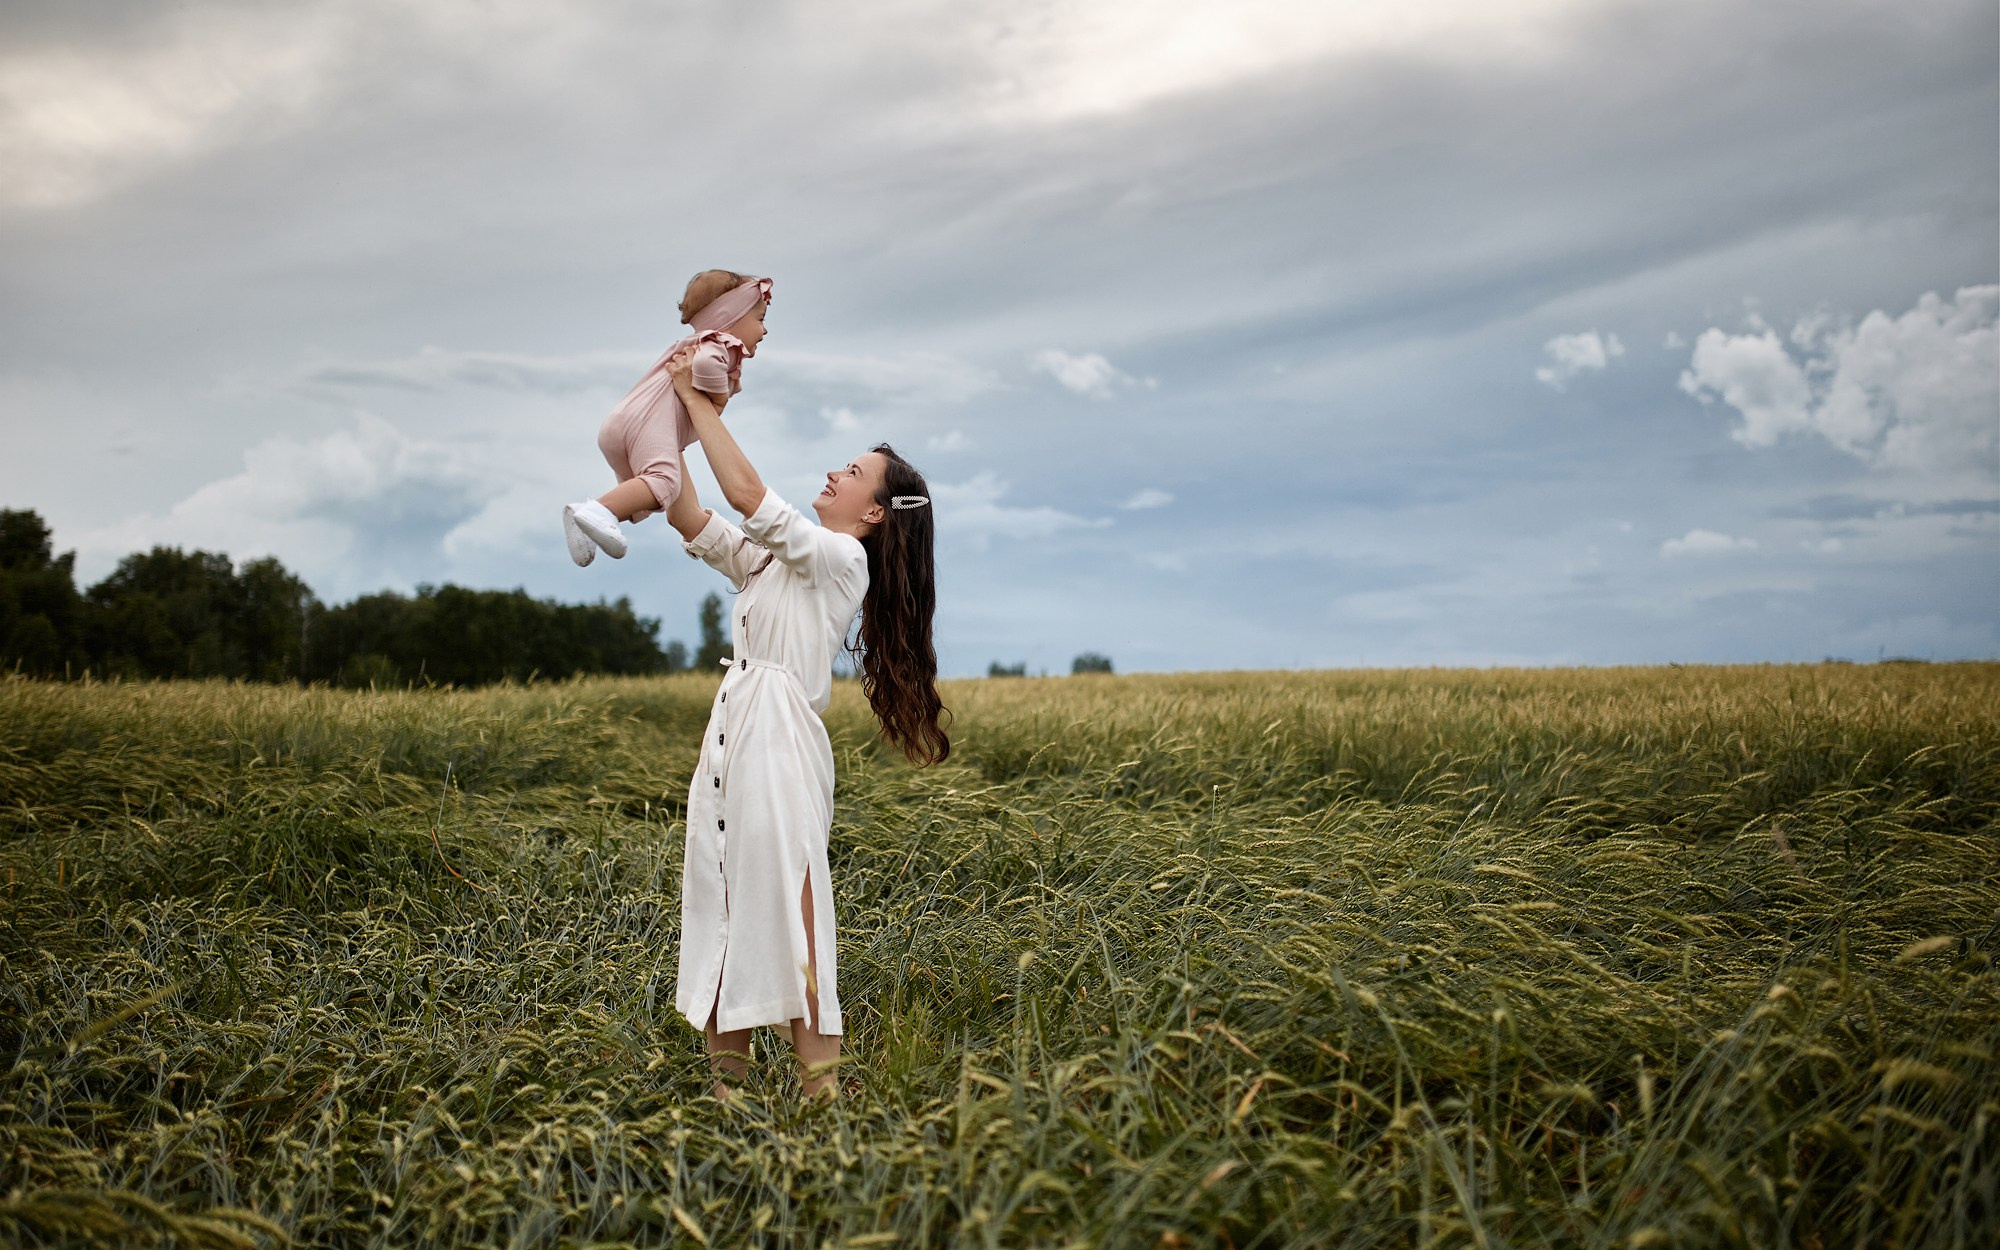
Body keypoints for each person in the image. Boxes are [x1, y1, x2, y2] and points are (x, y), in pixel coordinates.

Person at [660, 344, 950, 1100]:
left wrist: (701, 403)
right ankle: (727, 1099)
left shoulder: (840, 560)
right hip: (731, 735)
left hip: (779, 742)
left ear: (874, 514)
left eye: (852, 475)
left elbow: (750, 493)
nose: (833, 475)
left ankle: (821, 1097)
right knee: (724, 903)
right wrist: (671, 423)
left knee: (793, 907)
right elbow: (692, 512)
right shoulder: (772, 562)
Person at [562, 270, 772, 565]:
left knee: (645, 495)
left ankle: (590, 518)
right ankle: (598, 511)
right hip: (648, 426)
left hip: (620, 425)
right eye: (760, 319)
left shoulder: (692, 344)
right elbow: (708, 365)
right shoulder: (718, 345)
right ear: (731, 316)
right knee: (663, 481)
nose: (764, 331)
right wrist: (719, 398)